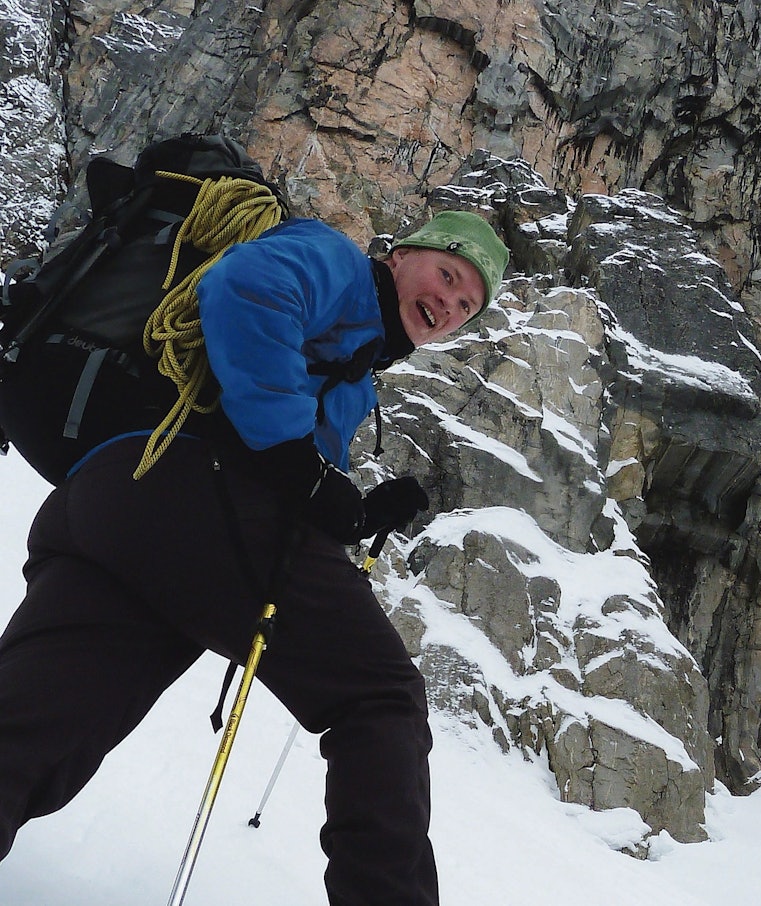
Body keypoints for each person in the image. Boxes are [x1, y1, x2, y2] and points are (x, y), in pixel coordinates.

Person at [0, 208, 510, 905]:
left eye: (465, 306)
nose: (447, 306)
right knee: (380, 697)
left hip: (115, 503)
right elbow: (248, 287)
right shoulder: (334, 260)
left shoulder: (355, 368)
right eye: (447, 275)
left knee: (29, 728)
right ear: (399, 255)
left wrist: (355, 513)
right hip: (194, 497)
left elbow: (289, 470)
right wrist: (302, 470)